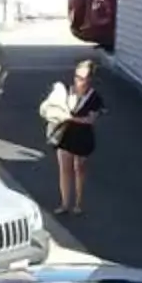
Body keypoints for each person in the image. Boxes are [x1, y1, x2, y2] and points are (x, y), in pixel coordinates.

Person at [38, 57, 104, 219]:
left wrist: (69, 118)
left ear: (90, 79)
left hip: (83, 137)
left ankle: (78, 203)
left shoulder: (94, 98)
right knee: (64, 170)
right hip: (65, 135)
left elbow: (90, 120)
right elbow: (54, 107)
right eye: (76, 76)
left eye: (82, 78)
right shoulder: (66, 92)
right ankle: (65, 204)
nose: (79, 81)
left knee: (79, 169)